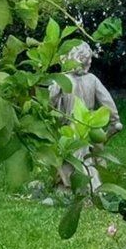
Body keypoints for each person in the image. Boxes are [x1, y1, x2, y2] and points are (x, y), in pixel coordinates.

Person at [49, 41, 121, 192]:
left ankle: (75, 189)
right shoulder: (92, 80)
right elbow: (108, 103)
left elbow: (49, 104)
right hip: (91, 127)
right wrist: (114, 122)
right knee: (92, 159)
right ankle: (93, 188)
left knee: (72, 160)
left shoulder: (62, 80)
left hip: (71, 129)